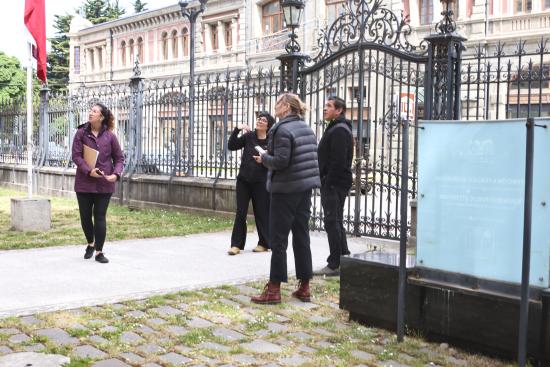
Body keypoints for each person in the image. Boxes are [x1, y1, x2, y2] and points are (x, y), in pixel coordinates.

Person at [250, 93, 321, 304]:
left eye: (278, 104)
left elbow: (281, 161)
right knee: (302, 236)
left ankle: (273, 289)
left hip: (285, 189)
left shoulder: (281, 129)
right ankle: (305, 286)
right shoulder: (306, 128)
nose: (275, 107)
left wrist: (264, 158)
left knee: (278, 239)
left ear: (286, 107)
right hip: (304, 189)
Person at [72, 103, 124, 264]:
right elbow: (76, 156)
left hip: (104, 184)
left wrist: (116, 174)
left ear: (101, 117)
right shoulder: (81, 133)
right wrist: (89, 171)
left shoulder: (110, 136)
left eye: (94, 111)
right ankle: (91, 243)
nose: (90, 113)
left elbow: (119, 158)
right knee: (85, 217)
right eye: (90, 110)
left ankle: (99, 252)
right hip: (84, 183)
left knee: (100, 217)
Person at [314, 96, 353, 276]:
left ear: (339, 110)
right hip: (335, 182)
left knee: (332, 222)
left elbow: (338, 161)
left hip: (334, 184)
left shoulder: (339, 130)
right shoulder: (337, 127)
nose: (325, 109)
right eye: (326, 105)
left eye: (329, 106)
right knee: (336, 220)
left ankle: (334, 264)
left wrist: (327, 182)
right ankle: (343, 257)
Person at [227, 111, 275, 255]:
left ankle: (264, 243)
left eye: (263, 120)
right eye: (259, 119)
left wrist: (264, 160)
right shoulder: (249, 137)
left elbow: (277, 160)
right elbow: (232, 145)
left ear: (269, 125)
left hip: (261, 182)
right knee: (240, 212)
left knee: (262, 212)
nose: (259, 121)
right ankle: (236, 245)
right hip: (244, 181)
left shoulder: (272, 141)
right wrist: (237, 129)